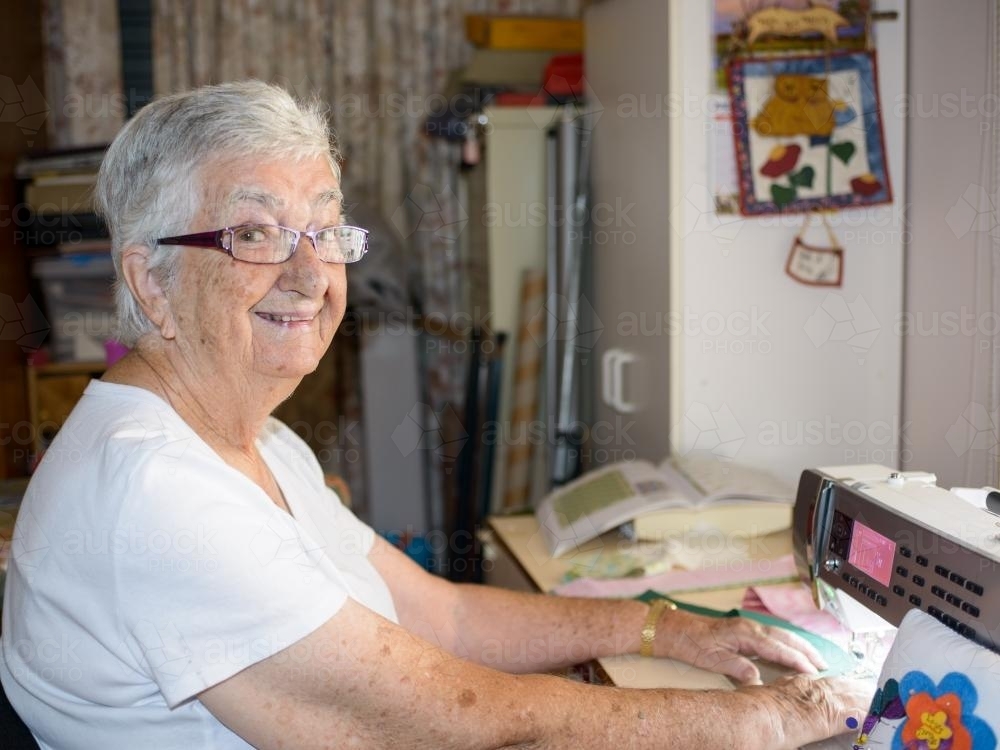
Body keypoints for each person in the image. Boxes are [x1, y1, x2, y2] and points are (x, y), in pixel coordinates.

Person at [0, 81, 868, 749]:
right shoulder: (157, 492)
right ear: (153, 281)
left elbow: (438, 616)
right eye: (255, 234)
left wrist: (659, 626)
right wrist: (750, 724)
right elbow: (448, 720)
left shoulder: (251, 435)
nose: (311, 275)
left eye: (326, 230)